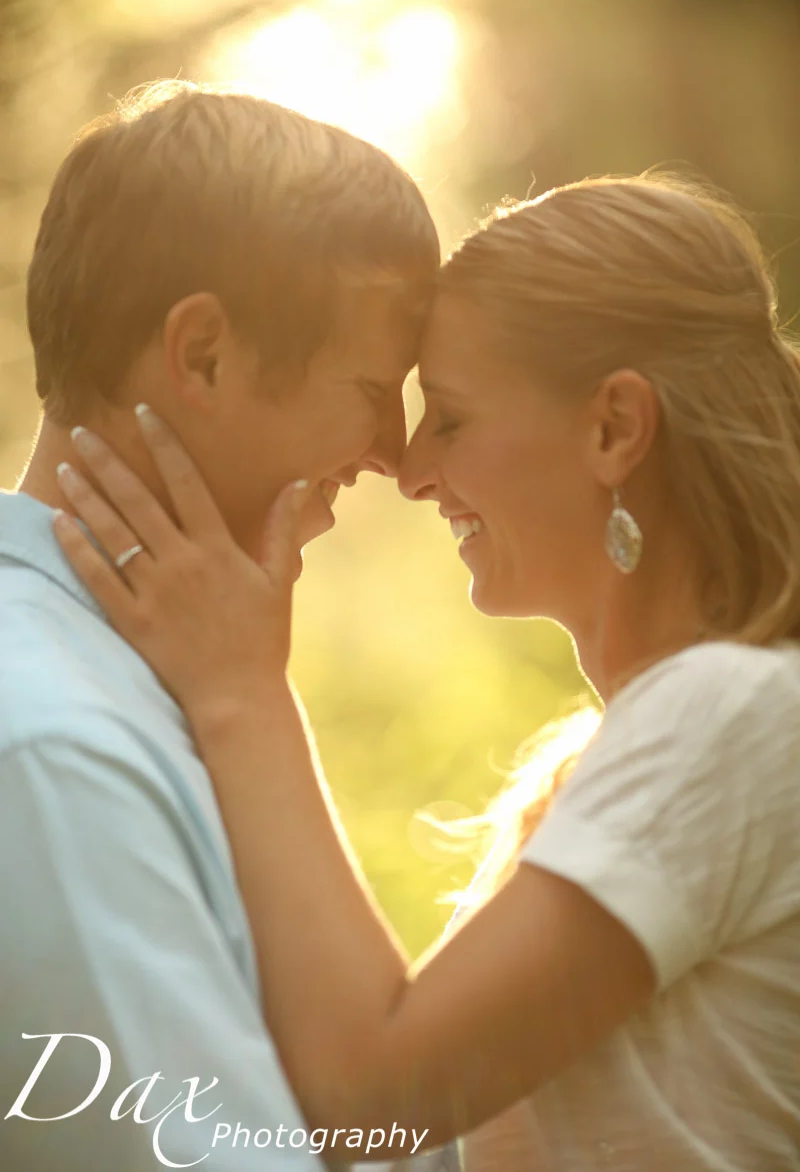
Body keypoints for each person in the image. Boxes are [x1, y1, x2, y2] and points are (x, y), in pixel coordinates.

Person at [55, 172, 800, 1171]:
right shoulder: (675, 729)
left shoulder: (730, 716)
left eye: (447, 416)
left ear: (613, 429)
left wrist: (242, 693)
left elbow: (377, 1100)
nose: (409, 473)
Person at [0, 78, 441, 1169]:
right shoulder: (55, 753)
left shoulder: (159, 672)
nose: (393, 454)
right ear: (201, 355)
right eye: (372, 387)